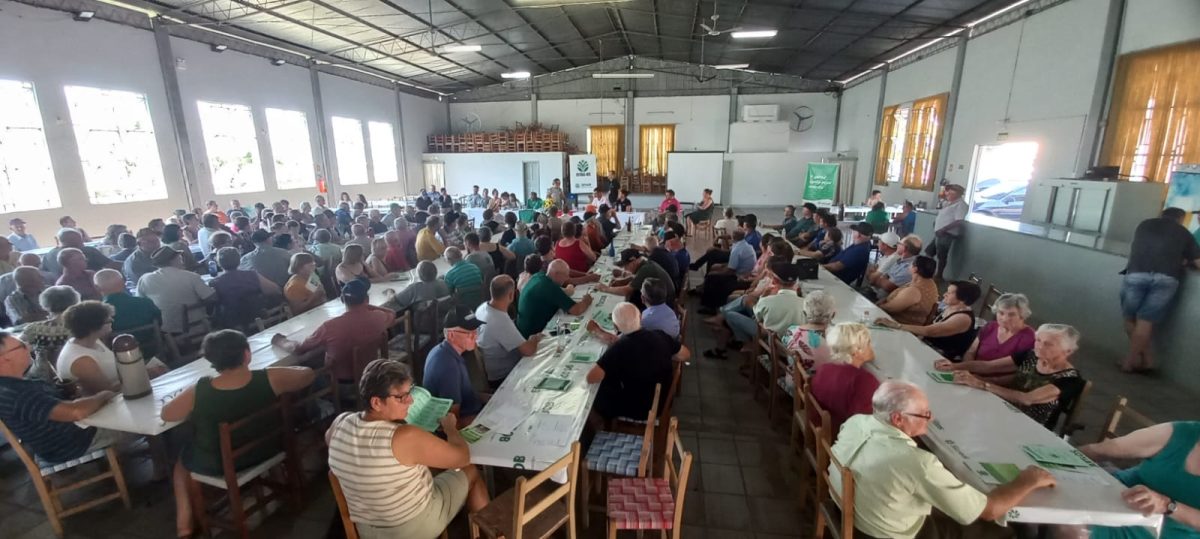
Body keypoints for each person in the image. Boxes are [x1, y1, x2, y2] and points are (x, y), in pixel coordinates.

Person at [832, 381, 1056, 539]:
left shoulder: (856, 422)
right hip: (883, 533)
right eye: (924, 414)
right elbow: (991, 511)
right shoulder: (918, 462)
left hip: (848, 511)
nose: (931, 418)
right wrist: (1029, 480)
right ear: (898, 419)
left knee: (940, 500)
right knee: (1001, 531)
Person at [162, 330, 315, 538]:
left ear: (212, 361)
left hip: (218, 464)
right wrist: (277, 371)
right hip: (267, 449)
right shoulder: (268, 378)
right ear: (247, 354)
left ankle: (184, 527)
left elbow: (167, 414)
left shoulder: (200, 390)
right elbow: (307, 374)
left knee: (182, 464)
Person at [326, 359, 489, 538]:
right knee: (470, 470)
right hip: (414, 528)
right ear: (376, 402)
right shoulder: (403, 436)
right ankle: (487, 533)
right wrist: (451, 428)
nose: (410, 401)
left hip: (367, 530)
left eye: (410, 392)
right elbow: (462, 457)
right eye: (401, 397)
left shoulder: (339, 423)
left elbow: (333, 442)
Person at [0, 331, 124, 467]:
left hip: (67, 439)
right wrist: (104, 395)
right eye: (22, 346)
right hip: (74, 445)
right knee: (134, 421)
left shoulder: (10, 385)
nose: (29, 348)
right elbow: (76, 412)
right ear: (4, 358)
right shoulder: (17, 393)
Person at [1071, 422, 1200, 539]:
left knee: (1072, 528)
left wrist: (1166, 505)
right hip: (1111, 496)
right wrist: (1065, 457)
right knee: (1068, 518)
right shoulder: (1180, 433)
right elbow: (1104, 449)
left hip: (1157, 533)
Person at [951, 324, 1085, 430]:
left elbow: (1026, 399)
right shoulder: (1031, 355)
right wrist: (952, 366)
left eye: (1048, 344)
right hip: (1000, 412)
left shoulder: (1070, 379)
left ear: (1068, 351)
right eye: (1038, 340)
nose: (1039, 346)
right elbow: (989, 366)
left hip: (1030, 428)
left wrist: (982, 384)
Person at [1120, 207, 1200, 373]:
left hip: (1137, 273)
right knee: (1145, 321)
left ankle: (1136, 361)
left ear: (1161, 215)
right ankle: (1141, 361)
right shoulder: (1184, 233)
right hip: (1167, 278)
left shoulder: (1143, 225)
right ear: (1181, 219)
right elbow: (1197, 261)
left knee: (1129, 319)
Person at [275, 279, 395, 383]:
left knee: (304, 365)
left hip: (341, 384)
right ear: (367, 299)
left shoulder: (330, 326)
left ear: (342, 299)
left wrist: (280, 341)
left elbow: (299, 349)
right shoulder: (378, 317)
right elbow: (391, 313)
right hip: (371, 375)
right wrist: (366, 306)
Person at [587, 302, 690, 423]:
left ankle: (598, 426)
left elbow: (591, 377)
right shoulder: (660, 335)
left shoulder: (619, 348)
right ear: (640, 317)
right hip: (663, 400)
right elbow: (686, 354)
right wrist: (662, 353)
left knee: (597, 394)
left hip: (642, 410)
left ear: (616, 327)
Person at [705, 262, 804, 360]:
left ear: (774, 280)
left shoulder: (768, 300)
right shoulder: (804, 303)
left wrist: (763, 296)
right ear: (795, 283)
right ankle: (736, 338)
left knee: (730, 314)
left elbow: (756, 316)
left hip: (767, 338)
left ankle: (745, 342)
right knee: (745, 301)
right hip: (789, 343)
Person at [938, 293, 1035, 379]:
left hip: (994, 384)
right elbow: (971, 352)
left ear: (1022, 316)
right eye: (1001, 313)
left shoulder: (1029, 338)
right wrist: (966, 372)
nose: (1005, 318)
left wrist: (956, 367)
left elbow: (991, 366)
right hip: (969, 375)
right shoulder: (990, 326)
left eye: (1011, 315)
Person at [877, 280, 980, 361]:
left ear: (963, 300)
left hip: (940, 356)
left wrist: (896, 325)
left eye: (949, 293)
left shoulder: (962, 318)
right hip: (926, 346)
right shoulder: (950, 307)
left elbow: (930, 331)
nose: (944, 294)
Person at [474, 276, 543, 389]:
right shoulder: (500, 320)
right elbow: (528, 351)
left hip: (490, 368)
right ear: (511, 295)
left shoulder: (482, 308)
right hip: (504, 376)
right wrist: (534, 338)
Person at [810, 322, 879, 432]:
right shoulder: (865, 381)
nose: (872, 347)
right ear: (856, 351)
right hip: (841, 435)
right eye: (868, 343)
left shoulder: (824, 368)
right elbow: (863, 425)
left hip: (818, 426)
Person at [424, 307, 486, 426]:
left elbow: (466, 393)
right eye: (469, 333)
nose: (475, 337)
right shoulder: (448, 367)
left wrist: (492, 399)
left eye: (476, 331)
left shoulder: (442, 350)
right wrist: (488, 419)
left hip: (472, 407)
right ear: (451, 335)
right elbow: (453, 423)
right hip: (464, 419)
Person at [137, 247, 217, 334]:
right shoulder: (190, 276)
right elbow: (212, 298)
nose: (182, 260)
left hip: (165, 330)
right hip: (196, 327)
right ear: (173, 260)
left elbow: (140, 302)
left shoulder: (145, 279)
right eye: (179, 257)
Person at [56, 301, 126, 394]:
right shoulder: (81, 360)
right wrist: (135, 376)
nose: (112, 321)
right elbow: (107, 392)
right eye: (108, 321)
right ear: (94, 326)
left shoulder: (92, 339)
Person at [517, 259, 594, 337]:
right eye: (565, 275)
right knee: (581, 326)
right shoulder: (549, 287)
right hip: (534, 334)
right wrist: (586, 301)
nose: (567, 278)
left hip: (523, 328)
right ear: (557, 274)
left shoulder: (539, 276)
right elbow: (577, 310)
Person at [95, 269, 161, 360]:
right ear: (123, 283)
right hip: (153, 350)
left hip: (120, 357)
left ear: (97, 288)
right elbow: (159, 322)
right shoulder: (146, 302)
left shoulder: (99, 314)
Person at [210, 246, 279, 330]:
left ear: (218, 262)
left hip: (233, 322)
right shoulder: (251, 275)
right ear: (239, 260)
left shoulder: (215, 282)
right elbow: (275, 289)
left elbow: (212, 303)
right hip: (256, 314)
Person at [19, 286, 79, 380]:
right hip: (72, 374)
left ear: (45, 305)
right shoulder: (81, 327)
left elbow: (18, 347)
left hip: (41, 377)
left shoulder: (33, 328)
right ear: (75, 302)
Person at [697, 229, 757, 313]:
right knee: (715, 268)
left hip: (740, 276)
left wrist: (718, 272)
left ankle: (710, 307)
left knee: (712, 276)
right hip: (744, 271)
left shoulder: (737, 249)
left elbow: (730, 270)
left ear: (733, 237)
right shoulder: (746, 245)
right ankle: (703, 291)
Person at [598, 249, 675, 310]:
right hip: (662, 297)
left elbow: (626, 291)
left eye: (626, 266)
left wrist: (606, 289)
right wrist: (621, 280)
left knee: (626, 305)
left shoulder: (645, 270)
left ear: (633, 261)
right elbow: (636, 277)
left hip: (664, 303)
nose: (625, 269)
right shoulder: (645, 263)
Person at [785, 291, 836, 381]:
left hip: (793, 381)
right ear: (833, 315)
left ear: (804, 313)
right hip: (821, 386)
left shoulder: (791, 331)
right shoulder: (837, 340)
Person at [877, 255, 940, 326]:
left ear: (915, 269)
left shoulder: (914, 291)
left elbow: (891, 308)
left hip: (899, 325)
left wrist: (878, 306)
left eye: (911, 264)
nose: (909, 265)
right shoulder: (929, 282)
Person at [928, 184, 969, 280]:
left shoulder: (961, 205)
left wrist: (943, 229)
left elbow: (959, 221)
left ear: (958, 193)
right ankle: (929, 272)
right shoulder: (949, 203)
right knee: (929, 252)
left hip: (946, 234)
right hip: (939, 233)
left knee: (941, 256)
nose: (948, 194)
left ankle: (939, 275)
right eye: (947, 192)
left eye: (950, 193)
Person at [865, 234, 921, 299]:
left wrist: (878, 279)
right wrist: (883, 279)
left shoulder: (909, 268)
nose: (897, 245)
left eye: (899, 243)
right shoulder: (901, 260)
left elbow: (887, 286)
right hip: (878, 294)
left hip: (882, 300)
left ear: (904, 248)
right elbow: (886, 276)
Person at [43, 228, 116, 278]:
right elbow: (112, 265)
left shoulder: (48, 255)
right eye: (81, 241)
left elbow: (44, 273)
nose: (83, 244)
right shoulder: (87, 251)